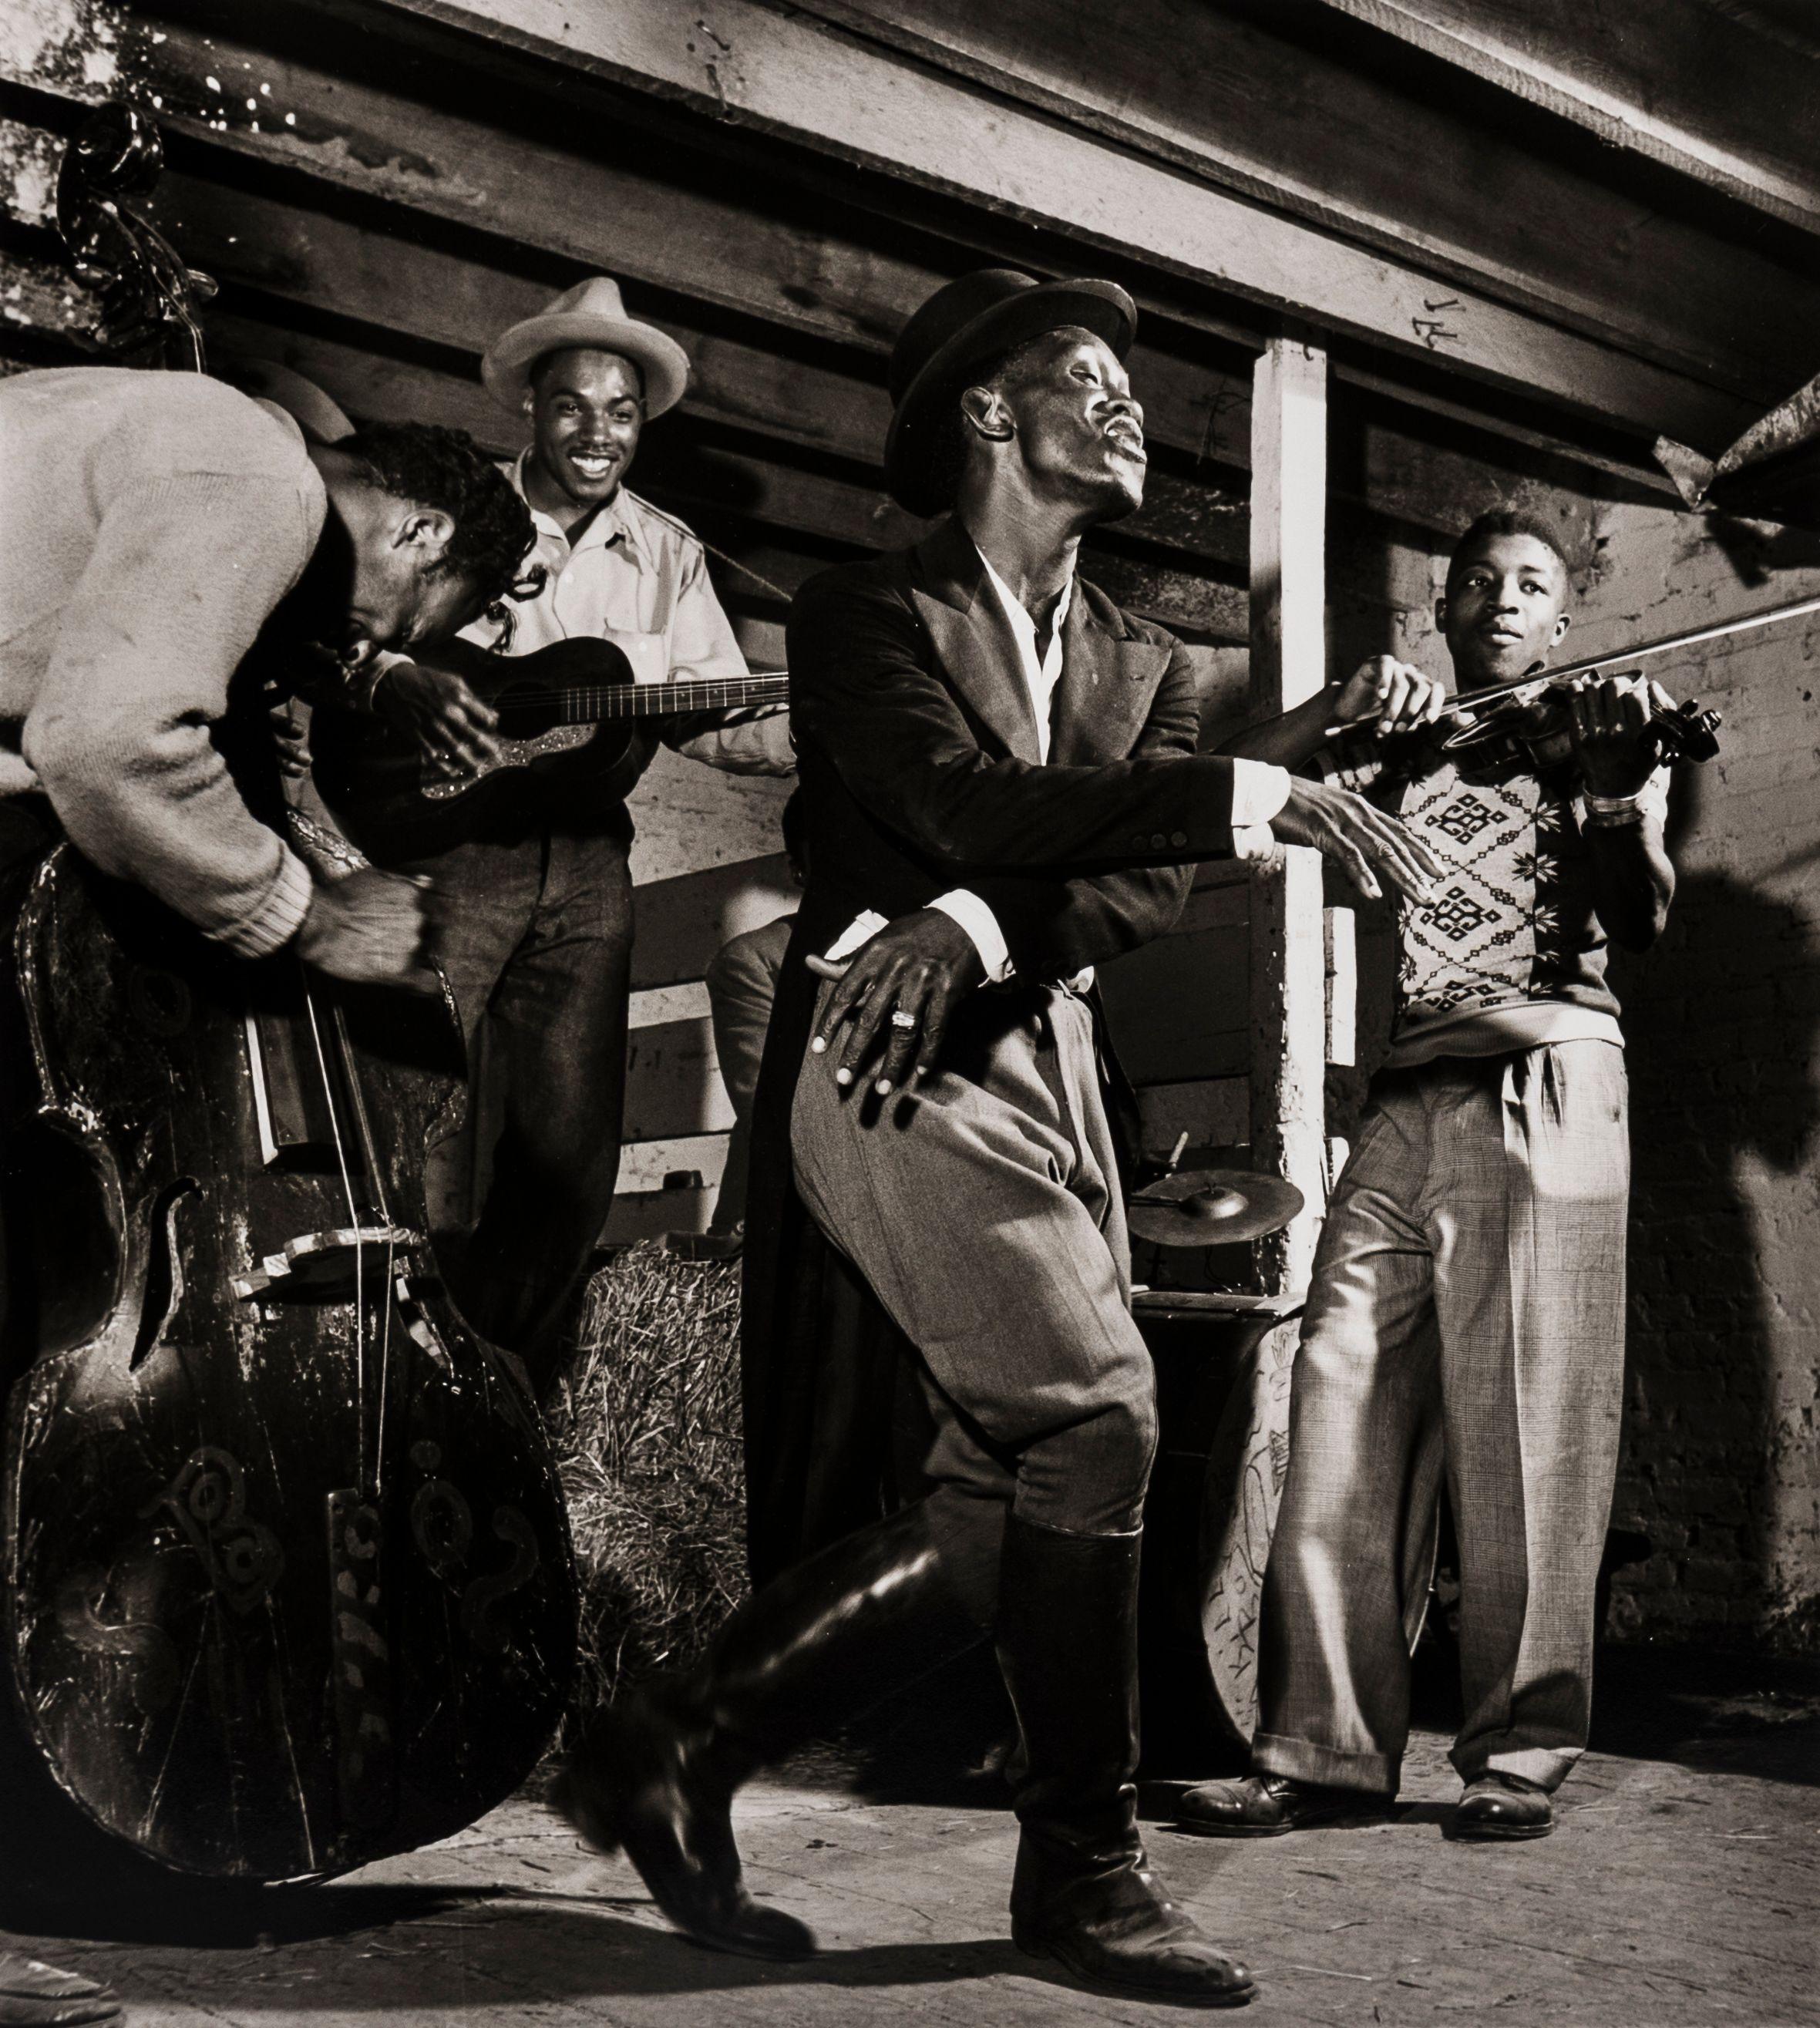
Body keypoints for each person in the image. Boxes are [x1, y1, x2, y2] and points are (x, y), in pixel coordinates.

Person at [555, 267, 1444, 2006]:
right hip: (887, 1055)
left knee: (994, 1491)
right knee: (1100, 1411)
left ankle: (673, 1740)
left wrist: (969, 928)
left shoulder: (1145, 658)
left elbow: (1128, 882)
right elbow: (948, 800)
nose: (1130, 409)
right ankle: (1084, 1871)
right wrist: (1232, 797)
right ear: (985, 410)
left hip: (1032, 1048)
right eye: (1091, 379)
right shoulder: (856, 609)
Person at [0, 364, 536, 2028]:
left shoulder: (116, 431)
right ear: (423, 531)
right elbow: (106, 739)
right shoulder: (254, 465)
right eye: (422, 623)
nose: (367, 657)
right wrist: (299, 916)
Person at [1175, 512, 1677, 1845]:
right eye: (1477, 583)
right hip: (1404, 1099)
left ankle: (1520, 1748)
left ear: (1559, 622)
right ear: (1442, 613)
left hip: (1546, 1077)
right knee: (1340, 1397)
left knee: (1531, 1426)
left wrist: (1618, 792)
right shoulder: (1399, 746)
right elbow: (1229, 785)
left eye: (1530, 587)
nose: (1501, 603)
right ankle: (1323, 1748)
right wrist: (1337, 706)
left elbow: (1640, 915)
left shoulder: (1603, 727)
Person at [311, 277, 793, 1381]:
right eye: (573, 404)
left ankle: (495, 1381)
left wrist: (820, 720)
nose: (598, 431)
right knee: (406, 1112)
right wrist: (394, 677)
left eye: (621, 410)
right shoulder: (452, 504)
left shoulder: (666, 552)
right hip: (442, 837)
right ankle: (365, 1371)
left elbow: (715, 719)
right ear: (530, 407)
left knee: (570, 1153)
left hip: (586, 863)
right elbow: (339, 625)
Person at [686, 790, 807, 1256]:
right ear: (798, 868)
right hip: (782, 1221)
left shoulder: (934, 952)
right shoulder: (756, 962)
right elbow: (772, 1114)